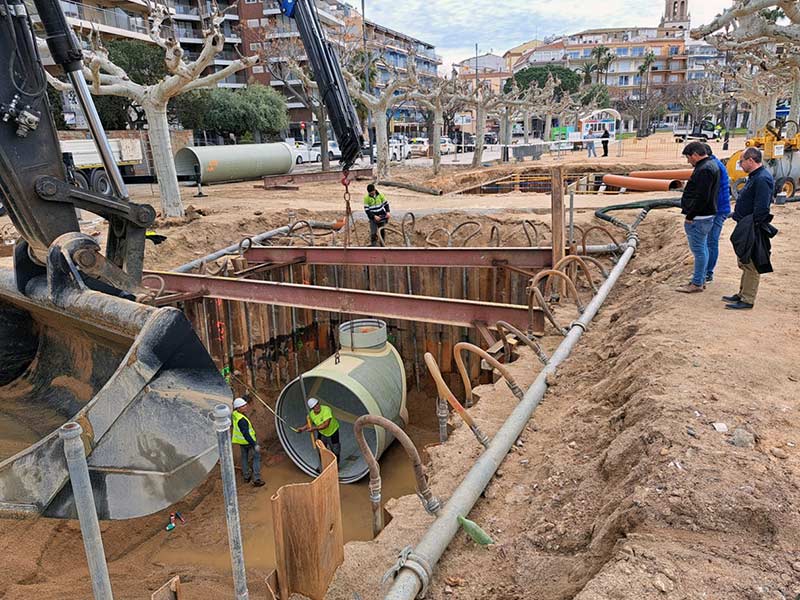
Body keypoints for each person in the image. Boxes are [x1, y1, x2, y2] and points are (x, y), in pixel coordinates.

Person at [725, 147, 776, 310]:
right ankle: (742, 293)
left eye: (741, 161)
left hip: (752, 226)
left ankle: (747, 299)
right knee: (744, 261)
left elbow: (762, 208)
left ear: (751, 160)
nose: (740, 165)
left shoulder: (762, 179)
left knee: (751, 263)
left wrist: (751, 225)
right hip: (746, 224)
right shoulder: (755, 176)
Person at [676, 141, 720, 293]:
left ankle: (697, 283)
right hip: (704, 216)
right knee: (703, 248)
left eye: (688, 158)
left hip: (699, 218)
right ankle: (700, 279)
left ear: (695, 154)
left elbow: (702, 197)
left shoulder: (705, 170)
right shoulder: (711, 165)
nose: (688, 161)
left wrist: (691, 215)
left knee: (699, 250)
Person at [703, 144, 731, 283]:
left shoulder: (713, 167)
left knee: (711, 242)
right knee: (709, 241)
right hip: (717, 209)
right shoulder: (714, 164)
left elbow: (712, 192)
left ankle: (708, 272)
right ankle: (706, 270)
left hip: (718, 210)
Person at [231, 397, 265, 487]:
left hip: (241, 442)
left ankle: (246, 476)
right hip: (248, 441)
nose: (245, 407)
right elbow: (246, 434)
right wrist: (254, 444)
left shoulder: (235, 414)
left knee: (244, 457)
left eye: (245, 405)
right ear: (238, 408)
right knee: (256, 457)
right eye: (242, 406)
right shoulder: (242, 420)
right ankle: (257, 479)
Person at [298, 397, 341, 462]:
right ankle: (323, 465)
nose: (317, 407)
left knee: (335, 449)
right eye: (314, 407)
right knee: (321, 449)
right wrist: (302, 428)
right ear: (312, 409)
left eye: (317, 404)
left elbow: (326, 424)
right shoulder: (311, 414)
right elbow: (309, 424)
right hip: (322, 433)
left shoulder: (326, 409)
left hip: (332, 431)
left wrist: (314, 428)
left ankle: (336, 465)